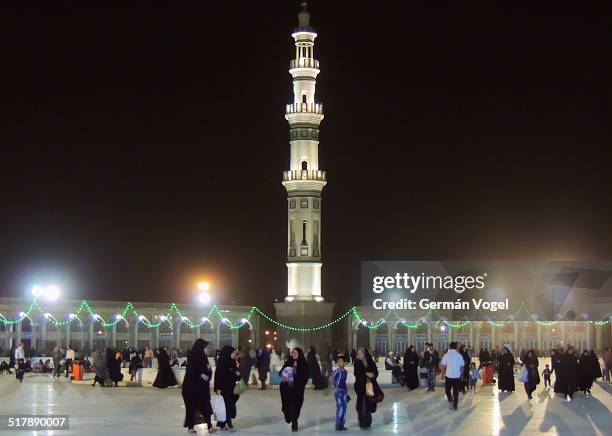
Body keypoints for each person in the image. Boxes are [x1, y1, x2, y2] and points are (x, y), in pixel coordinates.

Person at [182, 339, 215, 434]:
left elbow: (209, 371)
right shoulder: (192, 357)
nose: (208, 349)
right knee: (191, 408)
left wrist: (207, 374)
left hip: (203, 388)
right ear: (201, 347)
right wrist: (201, 375)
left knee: (206, 406)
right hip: (191, 387)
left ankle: (210, 426)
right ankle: (190, 427)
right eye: (207, 347)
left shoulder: (205, 358)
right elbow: (191, 371)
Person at [279, 347, 309, 432]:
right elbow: (281, 372)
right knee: (288, 405)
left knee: (296, 406)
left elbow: (306, 376)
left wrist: (297, 379)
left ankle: (294, 422)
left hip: (298, 389)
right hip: (287, 389)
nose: (294, 354)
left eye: (295, 352)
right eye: (293, 352)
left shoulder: (303, 363)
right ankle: (288, 417)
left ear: (299, 353)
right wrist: (284, 377)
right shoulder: (289, 362)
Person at [354, 347, 383, 429]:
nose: (359, 355)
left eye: (360, 353)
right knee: (361, 406)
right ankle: (362, 422)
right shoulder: (357, 363)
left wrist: (372, 375)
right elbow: (357, 374)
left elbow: (375, 372)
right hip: (360, 388)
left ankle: (367, 423)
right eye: (358, 353)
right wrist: (366, 374)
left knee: (368, 406)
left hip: (369, 388)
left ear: (364, 354)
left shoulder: (370, 362)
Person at [214, 345, 240, 431]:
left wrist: (237, 374)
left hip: (232, 388)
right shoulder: (222, 362)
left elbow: (235, 372)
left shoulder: (232, 361)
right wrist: (218, 388)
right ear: (228, 353)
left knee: (229, 405)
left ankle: (225, 421)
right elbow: (218, 376)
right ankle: (225, 423)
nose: (234, 355)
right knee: (225, 406)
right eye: (233, 353)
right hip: (224, 389)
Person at [440, 342, 464, 411]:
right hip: (457, 377)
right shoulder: (459, 355)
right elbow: (462, 367)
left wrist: (442, 373)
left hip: (449, 376)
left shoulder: (447, 355)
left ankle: (450, 400)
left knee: (447, 390)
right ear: (456, 347)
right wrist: (462, 375)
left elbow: (443, 365)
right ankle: (455, 405)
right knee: (456, 392)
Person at [330, 355, 349, 431]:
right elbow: (331, 379)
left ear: (344, 363)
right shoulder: (337, 371)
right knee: (340, 407)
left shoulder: (345, 372)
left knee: (344, 408)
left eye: (341, 362)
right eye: (338, 362)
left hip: (344, 391)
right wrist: (334, 387)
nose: (339, 363)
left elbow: (343, 382)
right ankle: (338, 425)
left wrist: (346, 393)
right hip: (338, 391)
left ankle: (342, 424)